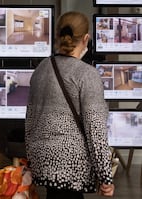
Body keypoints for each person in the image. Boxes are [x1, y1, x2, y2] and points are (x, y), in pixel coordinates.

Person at [25, 11, 114, 199]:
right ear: (86, 38)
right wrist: (105, 176)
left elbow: (30, 121)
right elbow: (95, 129)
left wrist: (33, 158)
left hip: (42, 158)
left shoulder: (41, 68)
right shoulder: (87, 74)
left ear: (57, 36)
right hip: (71, 163)